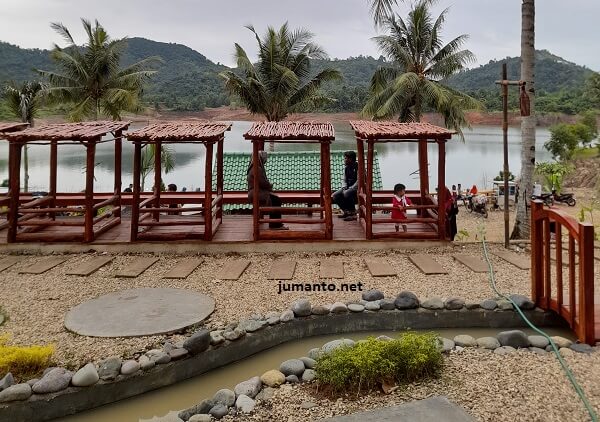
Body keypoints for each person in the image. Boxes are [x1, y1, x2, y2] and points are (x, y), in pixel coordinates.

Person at [247, 151, 288, 230]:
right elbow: (263, 183)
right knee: (276, 200)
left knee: (275, 199)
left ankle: (276, 222)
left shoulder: (253, 167)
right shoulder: (257, 168)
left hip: (255, 192)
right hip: (257, 193)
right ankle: (275, 224)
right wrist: (270, 186)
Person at [332, 151, 358, 221]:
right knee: (335, 195)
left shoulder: (358, 167)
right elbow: (344, 179)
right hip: (347, 187)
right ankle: (347, 212)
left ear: (351, 159)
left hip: (356, 188)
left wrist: (351, 188)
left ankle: (353, 213)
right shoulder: (346, 168)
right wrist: (344, 187)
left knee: (346, 193)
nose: (344, 160)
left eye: (346, 158)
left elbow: (359, 181)